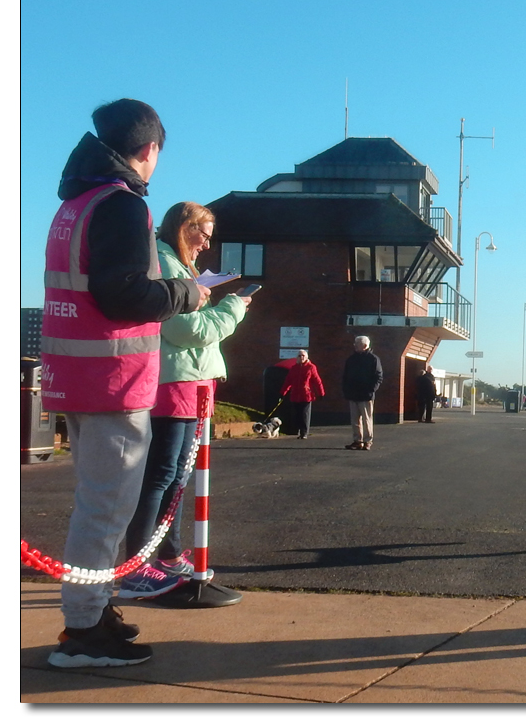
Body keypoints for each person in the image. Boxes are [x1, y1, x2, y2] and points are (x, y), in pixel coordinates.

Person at [41, 100, 209, 668]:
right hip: (114, 381)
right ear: (149, 150)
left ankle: (93, 611)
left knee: (97, 505)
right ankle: (84, 632)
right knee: (105, 510)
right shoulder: (122, 205)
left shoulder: (76, 204)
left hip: (78, 377)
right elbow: (126, 295)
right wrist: (188, 293)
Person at [118, 202, 252, 598]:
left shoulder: (174, 265)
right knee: (161, 475)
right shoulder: (164, 265)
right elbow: (186, 329)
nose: (206, 245)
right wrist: (233, 307)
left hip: (190, 380)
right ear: (183, 228)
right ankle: (137, 566)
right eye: (202, 234)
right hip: (175, 380)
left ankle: (167, 555)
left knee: (174, 476)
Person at [342, 335, 382, 449]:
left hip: (366, 395)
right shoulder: (351, 359)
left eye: (357, 343)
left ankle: (368, 441)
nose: (354, 345)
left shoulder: (373, 359)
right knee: (355, 420)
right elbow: (345, 376)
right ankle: (357, 441)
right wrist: (346, 390)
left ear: (364, 345)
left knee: (367, 419)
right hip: (353, 394)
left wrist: (371, 390)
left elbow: (378, 377)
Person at [280, 348, 326, 439]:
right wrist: (283, 392)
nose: (301, 357)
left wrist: (321, 393)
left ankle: (304, 432)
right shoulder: (294, 368)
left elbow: (317, 381)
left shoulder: (311, 367)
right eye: (299, 356)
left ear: (306, 357)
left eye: (303, 356)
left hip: (306, 395)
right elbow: (288, 381)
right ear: (296, 357)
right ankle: (299, 431)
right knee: (297, 414)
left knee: (305, 414)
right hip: (295, 394)